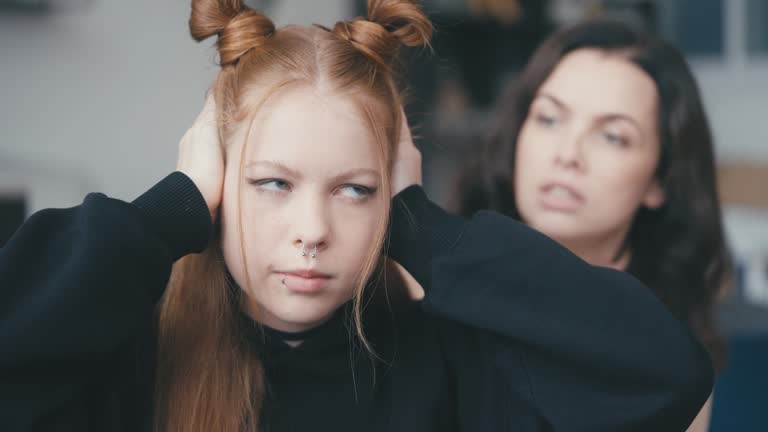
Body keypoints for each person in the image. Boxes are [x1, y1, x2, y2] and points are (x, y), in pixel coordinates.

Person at [1, 3, 713, 431]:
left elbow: (665, 376)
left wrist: (416, 225)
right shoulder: (136, 357)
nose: (312, 230)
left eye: (354, 190)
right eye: (273, 182)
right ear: (219, 180)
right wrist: (174, 208)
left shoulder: (448, 364)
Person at [454, 20, 732, 432]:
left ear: (659, 181)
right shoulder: (439, 282)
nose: (568, 154)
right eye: (549, 119)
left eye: (613, 137)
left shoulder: (673, 357)